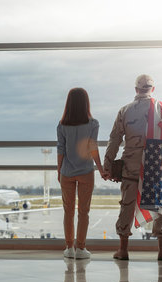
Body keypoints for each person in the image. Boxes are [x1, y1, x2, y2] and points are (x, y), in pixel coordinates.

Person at [103, 74, 162, 261]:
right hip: (154, 166)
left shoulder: (124, 111)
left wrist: (107, 165)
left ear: (136, 90)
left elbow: (114, 140)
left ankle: (123, 250)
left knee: (126, 206)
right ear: (152, 89)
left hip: (131, 168)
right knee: (159, 206)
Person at [57, 88, 108, 260]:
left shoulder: (62, 125)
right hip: (86, 171)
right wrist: (100, 169)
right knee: (83, 212)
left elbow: (61, 150)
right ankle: (81, 248)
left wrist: (59, 171)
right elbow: (93, 148)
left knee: (68, 212)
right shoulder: (93, 124)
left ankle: (69, 248)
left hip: (67, 172)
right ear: (86, 103)